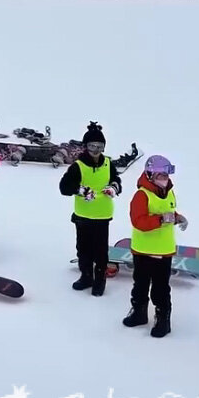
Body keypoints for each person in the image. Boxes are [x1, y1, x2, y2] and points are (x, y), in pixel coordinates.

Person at [123, 155, 187, 337]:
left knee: (161, 288)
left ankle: (163, 319)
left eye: (166, 175)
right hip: (143, 251)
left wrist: (178, 217)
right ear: (150, 175)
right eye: (160, 175)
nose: (164, 179)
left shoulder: (169, 192)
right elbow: (138, 221)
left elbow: (170, 211)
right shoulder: (141, 195)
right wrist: (161, 219)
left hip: (163, 251)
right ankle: (139, 313)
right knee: (140, 285)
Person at [58, 122, 123, 296]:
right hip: (83, 216)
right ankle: (86, 276)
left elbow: (117, 180)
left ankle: (100, 281)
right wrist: (80, 190)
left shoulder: (108, 163)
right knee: (83, 249)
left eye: (99, 147)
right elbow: (64, 187)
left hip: (102, 215)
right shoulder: (78, 166)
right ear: (86, 146)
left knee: (101, 252)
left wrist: (114, 188)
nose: (95, 150)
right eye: (92, 146)